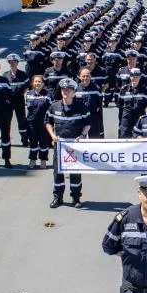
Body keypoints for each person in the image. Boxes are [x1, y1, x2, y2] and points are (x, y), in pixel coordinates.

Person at [45, 78, 91, 208]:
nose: (66, 91)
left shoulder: (81, 107)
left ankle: (76, 198)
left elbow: (88, 124)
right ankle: (58, 197)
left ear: (74, 92)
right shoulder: (54, 106)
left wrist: (82, 135)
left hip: (75, 146)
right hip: (60, 146)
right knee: (58, 172)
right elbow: (47, 122)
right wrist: (52, 135)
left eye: (69, 90)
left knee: (75, 172)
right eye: (64, 89)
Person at [25, 75, 52, 169]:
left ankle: (43, 160)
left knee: (44, 143)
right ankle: (32, 159)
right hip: (31, 123)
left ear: (43, 83)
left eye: (39, 82)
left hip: (44, 123)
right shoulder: (28, 93)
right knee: (33, 142)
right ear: (33, 83)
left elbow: (51, 108)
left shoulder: (48, 94)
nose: (37, 83)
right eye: (36, 81)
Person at [4, 53, 30, 147]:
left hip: (19, 100)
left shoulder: (23, 75)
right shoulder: (5, 75)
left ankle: (24, 140)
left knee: (22, 121)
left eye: (14, 62)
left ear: (17, 63)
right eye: (11, 62)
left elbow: (27, 87)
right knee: (7, 121)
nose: (13, 63)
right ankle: (6, 140)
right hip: (8, 102)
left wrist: (21, 94)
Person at [116, 68, 147, 139]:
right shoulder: (124, 89)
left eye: (136, 77)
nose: (135, 79)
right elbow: (120, 105)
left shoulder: (145, 90)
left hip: (139, 118)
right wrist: (121, 120)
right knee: (124, 137)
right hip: (126, 119)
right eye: (133, 77)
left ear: (140, 77)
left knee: (139, 137)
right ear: (130, 77)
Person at [75, 68, 104, 138]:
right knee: (79, 139)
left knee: (94, 139)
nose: (85, 78)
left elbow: (99, 104)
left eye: (87, 76)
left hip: (93, 117)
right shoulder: (75, 89)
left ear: (90, 76)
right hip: (80, 118)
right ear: (79, 77)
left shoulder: (96, 88)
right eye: (83, 76)